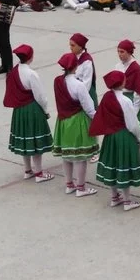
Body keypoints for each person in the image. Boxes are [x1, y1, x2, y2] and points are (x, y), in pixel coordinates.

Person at [90, 70, 140, 211]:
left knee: (113, 165)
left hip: (110, 136)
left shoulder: (107, 97)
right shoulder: (125, 100)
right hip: (124, 136)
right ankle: (127, 201)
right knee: (123, 166)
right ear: (121, 83)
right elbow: (132, 124)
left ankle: (115, 197)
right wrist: (138, 137)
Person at [4, 44, 54, 183]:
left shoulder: (14, 71)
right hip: (32, 109)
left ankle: (27, 170)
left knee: (25, 141)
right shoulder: (32, 74)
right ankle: (39, 173)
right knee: (36, 141)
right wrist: (45, 110)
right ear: (31, 57)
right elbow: (40, 96)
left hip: (19, 110)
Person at [52, 53, 98, 197]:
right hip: (77, 121)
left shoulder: (57, 81)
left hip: (63, 121)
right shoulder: (79, 85)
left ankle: (69, 184)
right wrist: (98, 119)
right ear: (76, 66)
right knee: (80, 156)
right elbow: (89, 107)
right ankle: (81, 188)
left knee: (67, 155)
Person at [114, 39, 140, 153]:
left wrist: (132, 112)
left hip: (134, 103)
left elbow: (139, 92)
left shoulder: (135, 68)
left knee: (138, 137)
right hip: (121, 100)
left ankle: (139, 160)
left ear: (129, 52)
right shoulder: (118, 66)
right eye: (118, 51)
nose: (120, 54)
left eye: (122, 52)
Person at [68, 32, 96, 106]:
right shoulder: (71, 57)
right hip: (75, 92)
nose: (70, 48)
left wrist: (79, 97)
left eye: (73, 45)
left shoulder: (87, 61)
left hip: (86, 94)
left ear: (80, 47)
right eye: (70, 45)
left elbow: (87, 83)